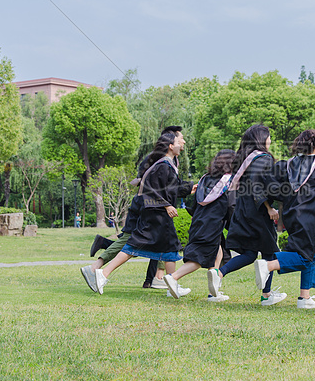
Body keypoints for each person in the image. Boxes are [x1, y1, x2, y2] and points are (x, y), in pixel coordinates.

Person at [81, 127, 195, 294]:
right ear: (171, 145)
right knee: (134, 245)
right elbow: (151, 188)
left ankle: (173, 286)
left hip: (157, 212)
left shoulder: (168, 164)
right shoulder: (162, 165)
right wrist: (167, 205)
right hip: (154, 213)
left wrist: (190, 188)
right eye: (180, 140)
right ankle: (102, 273)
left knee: (170, 247)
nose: (183, 143)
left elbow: (170, 188)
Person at [253, 130, 315, 309]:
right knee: (306, 257)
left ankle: (304, 298)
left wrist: (285, 195)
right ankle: (269, 265)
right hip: (307, 216)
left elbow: (268, 182)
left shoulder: (289, 164)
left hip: (290, 214)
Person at [207, 124, 286, 306]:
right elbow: (259, 185)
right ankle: (266, 296)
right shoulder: (264, 158)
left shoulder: (244, 159)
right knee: (270, 251)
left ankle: (219, 273)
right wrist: (269, 207)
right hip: (257, 210)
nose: (270, 139)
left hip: (242, 209)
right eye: (268, 135)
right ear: (261, 139)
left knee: (250, 253)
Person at [164, 150, 236, 301]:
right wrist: (234, 225)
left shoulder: (205, 178)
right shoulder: (228, 181)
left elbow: (195, 202)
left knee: (218, 253)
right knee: (198, 259)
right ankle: (173, 277)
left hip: (199, 221)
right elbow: (230, 206)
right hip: (213, 224)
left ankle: (213, 293)